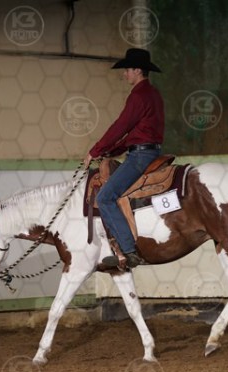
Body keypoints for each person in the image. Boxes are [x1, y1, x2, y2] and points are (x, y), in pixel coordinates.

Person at [83, 48, 164, 269]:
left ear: (137, 70)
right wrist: (110, 151)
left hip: (140, 157)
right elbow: (135, 133)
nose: (124, 74)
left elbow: (120, 127)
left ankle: (127, 251)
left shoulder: (138, 96)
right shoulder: (154, 94)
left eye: (127, 69)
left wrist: (95, 151)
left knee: (105, 197)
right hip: (152, 152)